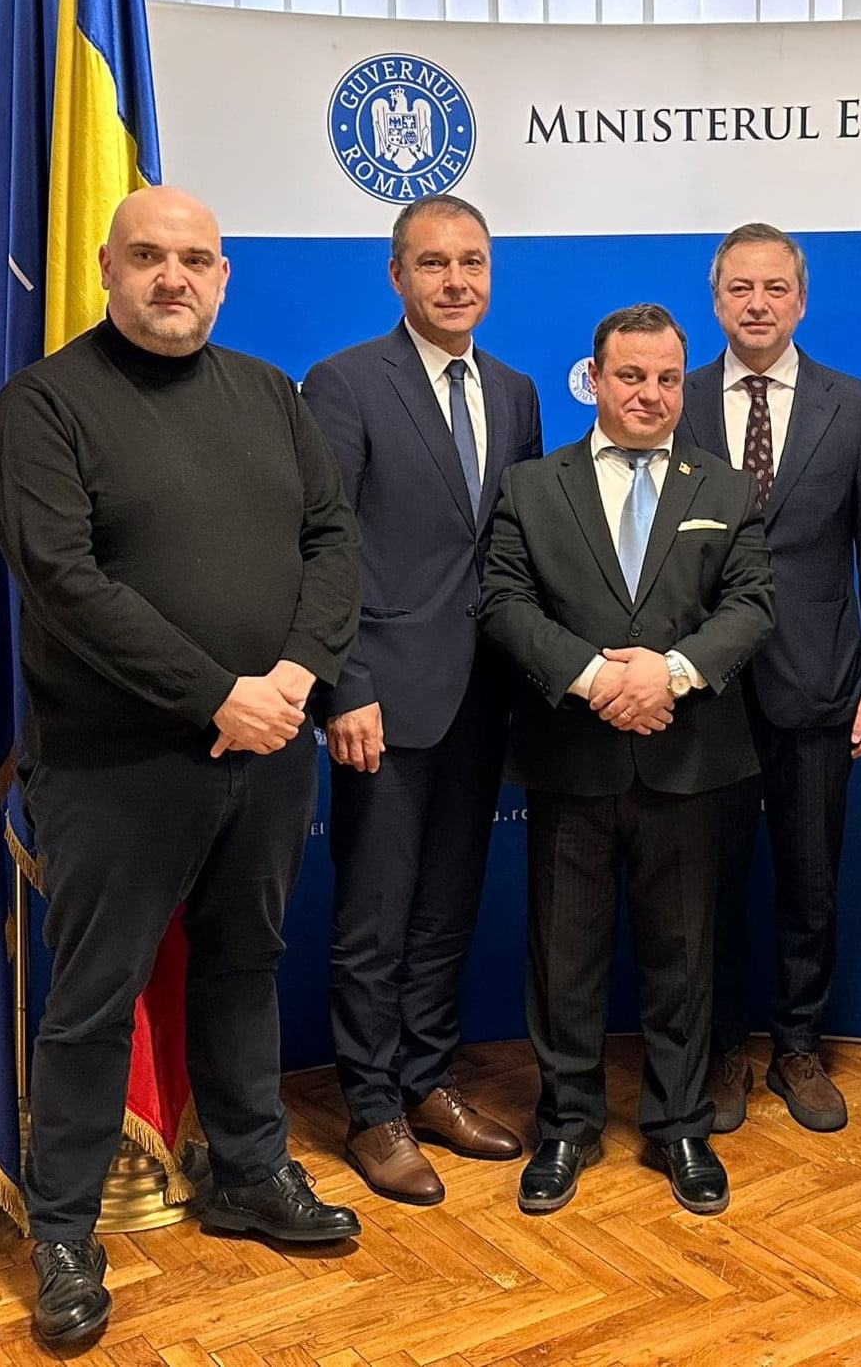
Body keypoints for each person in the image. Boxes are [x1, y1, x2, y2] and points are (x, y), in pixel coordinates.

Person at [0, 187, 363, 1349]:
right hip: (116, 764)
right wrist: (216, 695)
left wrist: (294, 676)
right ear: (108, 266)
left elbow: (332, 541)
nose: (172, 277)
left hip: (270, 745)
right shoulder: (44, 405)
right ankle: (63, 1231)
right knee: (92, 1000)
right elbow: (64, 580)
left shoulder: (269, 393)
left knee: (247, 965)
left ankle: (248, 1172)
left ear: (223, 276)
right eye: (148, 256)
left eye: (195, 259)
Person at [479, 303, 774, 1216]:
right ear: (596, 379)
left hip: (687, 761)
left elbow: (751, 604)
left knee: (683, 958)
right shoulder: (534, 486)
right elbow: (504, 600)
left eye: (667, 379)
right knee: (563, 957)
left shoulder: (725, 486)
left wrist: (670, 673)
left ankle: (679, 1124)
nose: (651, 394)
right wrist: (591, 677)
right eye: (631, 376)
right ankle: (566, 1125)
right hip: (572, 758)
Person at [304, 194, 540, 1205]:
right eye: (434, 263)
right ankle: (372, 1109)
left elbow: (516, 547)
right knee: (375, 915)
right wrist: (344, 685)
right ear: (397, 275)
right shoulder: (348, 382)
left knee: (447, 908)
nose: (455, 281)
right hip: (381, 700)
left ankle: (428, 1078)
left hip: (484, 698)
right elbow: (325, 544)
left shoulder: (516, 390)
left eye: (471, 262)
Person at [679, 223, 861, 1134]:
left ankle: (799, 1045)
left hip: (821, 683)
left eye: (775, 287)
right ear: (716, 300)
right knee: (710, 884)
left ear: (801, 300)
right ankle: (722, 1045)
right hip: (704, 690)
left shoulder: (855, 408)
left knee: (811, 881)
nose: (758, 303)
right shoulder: (677, 398)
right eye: (740, 288)